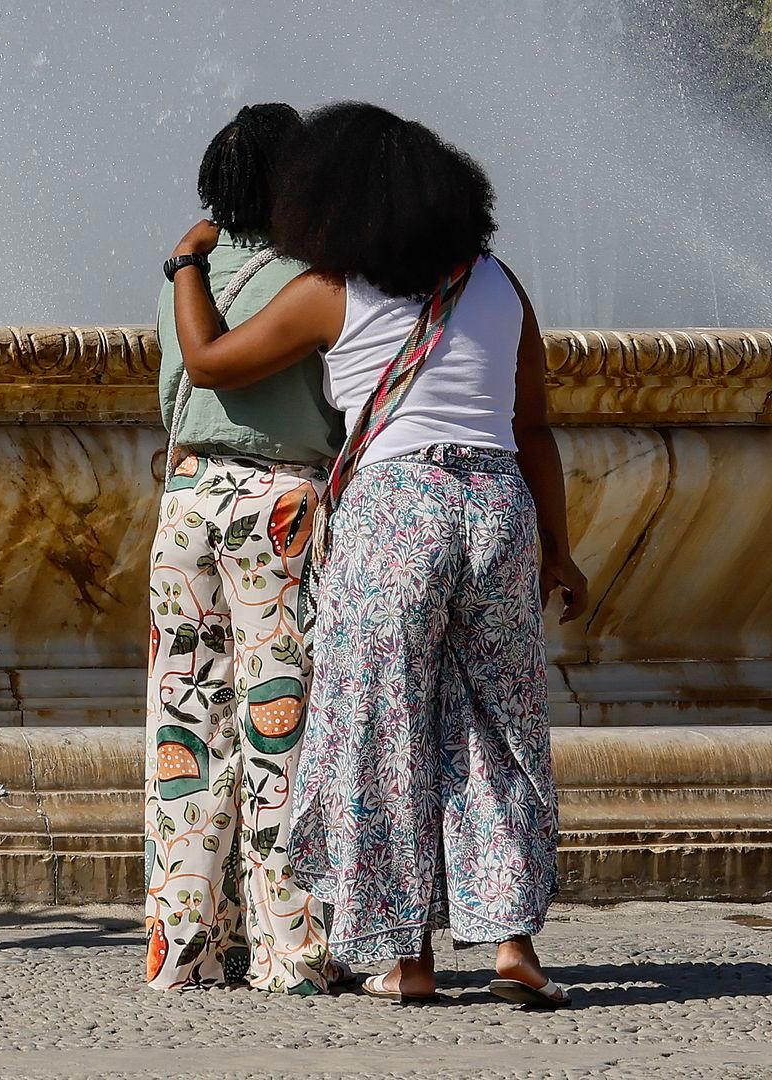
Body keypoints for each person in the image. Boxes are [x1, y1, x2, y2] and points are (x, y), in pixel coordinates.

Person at [166, 102, 588, 1007]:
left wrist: (185, 262)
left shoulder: (331, 290)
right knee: (500, 729)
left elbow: (207, 362)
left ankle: (406, 959)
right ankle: (514, 945)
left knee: (380, 732)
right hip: (498, 507)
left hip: (396, 509)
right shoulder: (498, 283)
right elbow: (535, 429)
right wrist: (560, 551)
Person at [144, 103, 344, 995]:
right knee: (282, 724)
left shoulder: (183, 274)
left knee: (184, 725)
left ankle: (185, 948)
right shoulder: (321, 277)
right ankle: (292, 951)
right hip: (280, 506)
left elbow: (172, 391)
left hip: (187, 503)